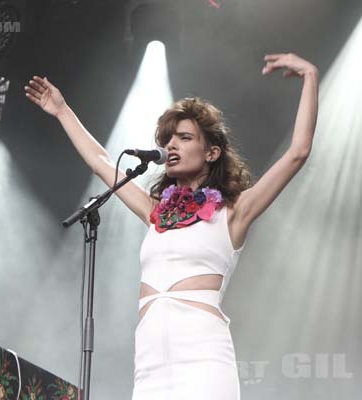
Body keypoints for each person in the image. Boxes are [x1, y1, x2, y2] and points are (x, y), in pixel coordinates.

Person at [25, 52, 318, 399]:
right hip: (150, 365)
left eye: (184, 137)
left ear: (211, 152)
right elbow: (102, 163)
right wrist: (61, 110)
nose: (171, 145)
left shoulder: (234, 211)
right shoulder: (155, 213)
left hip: (204, 360)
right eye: (168, 140)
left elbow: (297, 153)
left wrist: (310, 76)